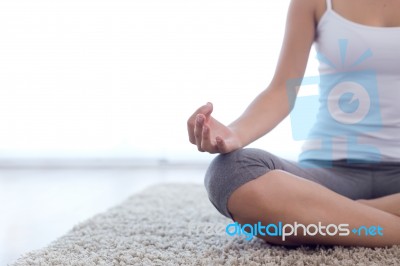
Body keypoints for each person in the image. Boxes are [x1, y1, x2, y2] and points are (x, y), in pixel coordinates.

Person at [187, 0, 400, 247]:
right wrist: (234, 133)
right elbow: (281, 90)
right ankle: (376, 223)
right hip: (328, 176)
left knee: (279, 213)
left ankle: (341, 217)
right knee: (229, 172)